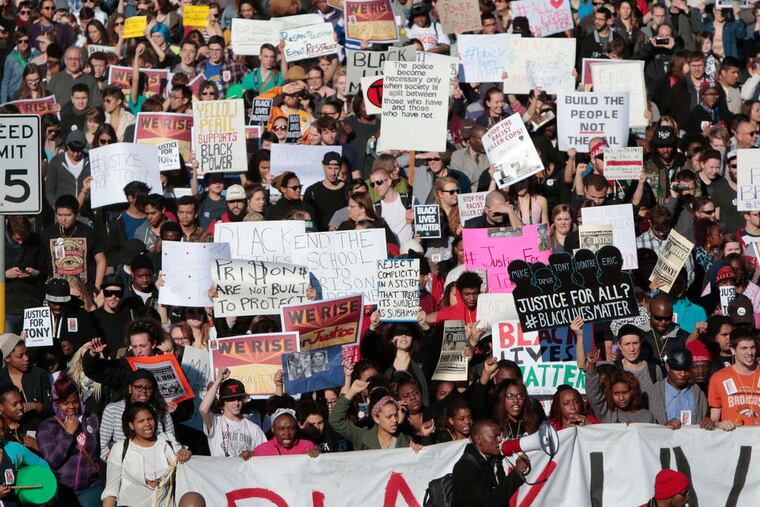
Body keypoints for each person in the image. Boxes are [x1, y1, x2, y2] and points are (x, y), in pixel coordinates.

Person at [102, 402, 191, 507]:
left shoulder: (167, 441)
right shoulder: (120, 448)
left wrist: (185, 453)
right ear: (131, 425)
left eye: (150, 419)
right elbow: (111, 492)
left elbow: (183, 456)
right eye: (141, 421)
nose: (147, 424)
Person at [37, 374, 102, 507]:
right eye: (65, 403)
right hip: (62, 490)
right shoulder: (47, 426)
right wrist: (68, 433)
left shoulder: (91, 419)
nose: (71, 407)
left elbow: (100, 449)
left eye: (75, 401)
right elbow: (52, 461)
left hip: (90, 488)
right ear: (56, 403)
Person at [99, 369, 176, 460]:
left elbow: (172, 443)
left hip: (156, 465)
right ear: (130, 387)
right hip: (124, 465)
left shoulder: (161, 411)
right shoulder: (113, 409)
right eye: (138, 387)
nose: (143, 391)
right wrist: (118, 463)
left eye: (148, 388)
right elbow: (104, 448)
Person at [451, 419, 528, 507]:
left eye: (500, 435)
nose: (499, 440)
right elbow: (490, 502)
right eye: (495, 436)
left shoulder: (493, 460)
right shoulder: (465, 468)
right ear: (478, 439)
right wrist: (517, 473)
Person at [199, 369, 266, 459]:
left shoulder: (254, 429)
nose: (236, 403)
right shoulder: (216, 422)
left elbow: (265, 456)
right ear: (223, 401)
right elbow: (203, 409)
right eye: (231, 399)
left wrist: (252, 454)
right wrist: (219, 379)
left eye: (239, 398)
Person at [707, 327, 760, 429]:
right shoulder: (718, 378)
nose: (750, 353)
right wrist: (719, 424)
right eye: (744, 348)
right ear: (733, 350)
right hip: (733, 441)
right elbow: (713, 419)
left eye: (752, 347)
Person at [648, 348, 713, 429]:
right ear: (667, 366)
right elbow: (648, 424)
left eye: (686, 370)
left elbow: (704, 419)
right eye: (678, 369)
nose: (682, 374)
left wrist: (707, 422)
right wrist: (664, 427)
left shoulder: (698, 393)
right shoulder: (656, 392)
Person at [253, 408, 318, 456]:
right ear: (273, 429)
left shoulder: (307, 446)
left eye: (291, 428)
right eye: (281, 429)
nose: (287, 433)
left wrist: (316, 456)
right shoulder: (261, 450)